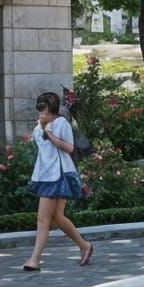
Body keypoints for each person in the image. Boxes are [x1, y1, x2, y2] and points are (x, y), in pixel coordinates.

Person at [23, 90, 94, 271]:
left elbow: (69, 148)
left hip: (59, 174)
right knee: (57, 217)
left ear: (53, 110)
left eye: (44, 111)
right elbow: (41, 147)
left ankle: (35, 259)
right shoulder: (39, 126)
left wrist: (50, 133)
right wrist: (42, 128)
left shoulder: (61, 123)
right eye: (40, 111)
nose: (41, 114)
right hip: (45, 175)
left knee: (43, 219)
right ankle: (85, 246)